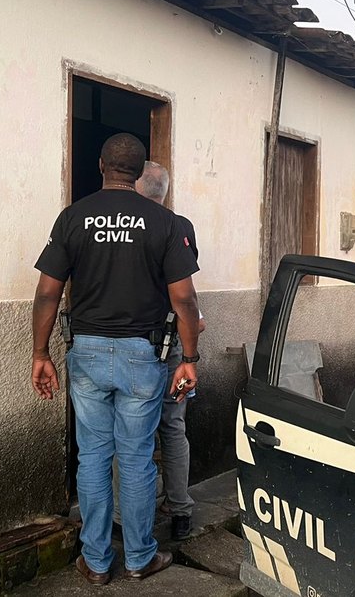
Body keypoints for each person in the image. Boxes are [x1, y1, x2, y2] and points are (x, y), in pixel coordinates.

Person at [31, 134, 202, 585]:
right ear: (139, 168)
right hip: (142, 357)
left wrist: (39, 353)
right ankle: (140, 557)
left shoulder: (73, 217)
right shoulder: (165, 223)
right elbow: (184, 300)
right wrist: (189, 357)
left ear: (101, 164)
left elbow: (48, 292)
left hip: (86, 353)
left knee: (92, 458)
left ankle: (97, 561)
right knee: (137, 458)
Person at [135, 161, 203, 541]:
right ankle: (180, 510)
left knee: (131, 430)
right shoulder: (182, 226)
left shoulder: (131, 224)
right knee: (174, 425)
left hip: (137, 345)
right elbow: (187, 292)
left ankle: (127, 514)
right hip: (176, 343)